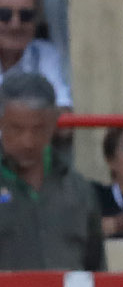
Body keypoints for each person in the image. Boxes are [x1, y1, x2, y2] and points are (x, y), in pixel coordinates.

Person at [0, 72, 102, 270]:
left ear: (54, 124)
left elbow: (96, 269)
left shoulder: (78, 190)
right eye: (16, 129)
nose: (27, 142)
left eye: (38, 130)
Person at [0, 0, 70, 107]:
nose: (15, 25)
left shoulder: (46, 54)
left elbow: (63, 108)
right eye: (4, 15)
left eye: (26, 16)